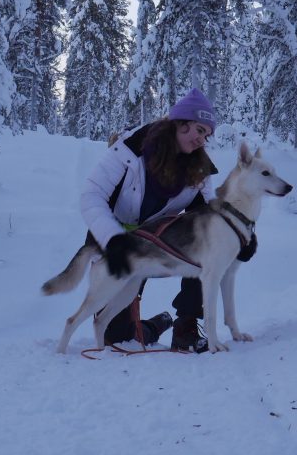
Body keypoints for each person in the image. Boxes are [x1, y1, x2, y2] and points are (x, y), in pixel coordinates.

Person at [80, 88, 256, 353]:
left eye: (206, 135)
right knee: (115, 337)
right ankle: (157, 324)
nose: (201, 139)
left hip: (154, 243)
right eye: (198, 129)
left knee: (208, 242)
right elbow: (91, 196)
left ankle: (186, 326)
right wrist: (113, 239)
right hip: (112, 238)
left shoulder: (199, 168)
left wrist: (242, 233)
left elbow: (210, 214)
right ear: (180, 123)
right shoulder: (129, 149)